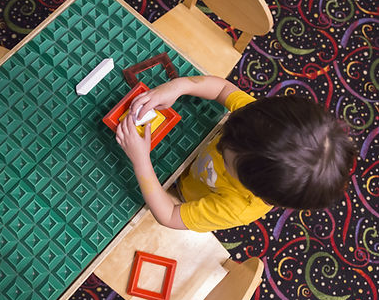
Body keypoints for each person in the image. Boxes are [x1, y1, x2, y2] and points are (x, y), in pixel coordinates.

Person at [116, 76, 357, 232]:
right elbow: (222, 88)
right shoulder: (260, 124)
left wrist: (140, 161)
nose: (221, 146)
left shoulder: (237, 208)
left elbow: (168, 215)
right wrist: (179, 87)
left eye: (227, 157)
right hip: (189, 158)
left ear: (253, 187)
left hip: (179, 194)